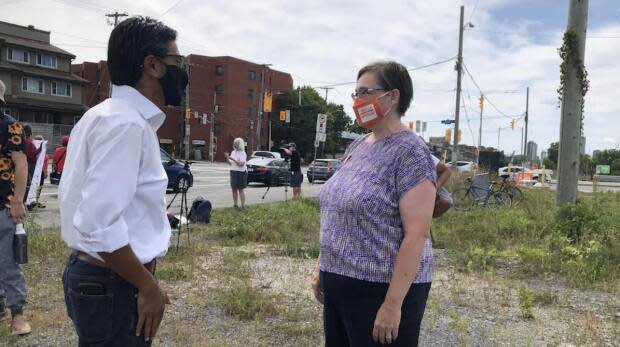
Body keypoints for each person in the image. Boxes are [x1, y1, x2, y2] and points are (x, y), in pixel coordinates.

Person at [59, 16, 187, 345]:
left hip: (102, 277)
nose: (181, 71)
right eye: (177, 61)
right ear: (153, 65)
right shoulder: (126, 124)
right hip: (113, 281)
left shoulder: (103, 114)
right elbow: (98, 222)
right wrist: (147, 285)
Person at [311, 61, 437, 346]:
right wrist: (323, 265)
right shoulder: (357, 146)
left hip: (379, 290)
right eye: (355, 94)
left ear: (393, 97)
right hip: (339, 284)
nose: (358, 101)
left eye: (365, 92)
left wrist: (392, 305)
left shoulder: (411, 153)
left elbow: (417, 234)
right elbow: (337, 212)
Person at [0, 79, 31, 335]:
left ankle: (17, 314)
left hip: (3, 205)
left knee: (7, 262)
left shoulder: (10, 126)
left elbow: (21, 164)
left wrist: (18, 201)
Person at [224, 138, 247, 209]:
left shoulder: (243, 153)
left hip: (241, 173)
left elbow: (241, 164)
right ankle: (235, 204)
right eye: (234, 143)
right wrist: (227, 158)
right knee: (234, 189)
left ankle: (243, 205)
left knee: (240, 189)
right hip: (233, 171)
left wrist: (233, 159)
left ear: (240, 144)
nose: (235, 144)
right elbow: (230, 164)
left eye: (236, 143)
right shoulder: (233, 152)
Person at [33, 135, 48, 208]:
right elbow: (44, 164)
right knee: (38, 187)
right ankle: (35, 201)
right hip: (39, 172)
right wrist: (45, 172)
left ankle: (34, 201)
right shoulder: (42, 152)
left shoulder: (34, 149)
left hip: (35, 171)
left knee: (35, 187)